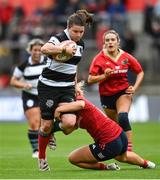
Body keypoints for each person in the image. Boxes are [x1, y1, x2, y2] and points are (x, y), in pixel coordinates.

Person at [37, 9, 94, 171]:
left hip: (67, 87)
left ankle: (48, 133)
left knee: (70, 124)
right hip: (48, 86)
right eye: (75, 31)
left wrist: (75, 85)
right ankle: (42, 158)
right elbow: (44, 49)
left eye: (81, 32)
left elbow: (72, 67)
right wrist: (63, 49)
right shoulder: (59, 38)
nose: (78, 35)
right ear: (68, 28)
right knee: (46, 125)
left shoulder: (81, 44)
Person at [53, 85, 155, 171]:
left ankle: (106, 167)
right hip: (119, 134)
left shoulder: (78, 100)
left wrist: (59, 109)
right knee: (123, 157)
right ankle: (146, 164)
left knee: (73, 158)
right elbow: (68, 130)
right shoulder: (71, 114)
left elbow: (81, 104)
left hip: (109, 142)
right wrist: (55, 128)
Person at [88, 30, 144, 152]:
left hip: (123, 92)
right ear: (104, 43)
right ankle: (119, 146)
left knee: (123, 117)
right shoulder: (99, 58)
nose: (110, 42)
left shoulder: (126, 57)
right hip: (106, 96)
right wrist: (104, 76)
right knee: (116, 125)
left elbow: (140, 72)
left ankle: (128, 150)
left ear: (118, 42)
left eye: (113, 39)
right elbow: (90, 79)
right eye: (107, 40)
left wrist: (134, 87)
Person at [10, 38, 47, 158]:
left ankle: (48, 140)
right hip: (29, 95)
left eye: (39, 50)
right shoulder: (23, 65)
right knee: (34, 123)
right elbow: (13, 81)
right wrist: (24, 85)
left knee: (45, 124)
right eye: (34, 50)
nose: (37, 52)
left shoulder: (48, 62)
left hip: (44, 95)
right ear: (30, 51)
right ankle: (36, 150)